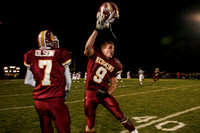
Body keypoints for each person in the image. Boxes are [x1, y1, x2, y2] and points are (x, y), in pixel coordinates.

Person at [84, 29, 138, 133]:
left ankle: (135, 132)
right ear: (103, 49)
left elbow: (114, 84)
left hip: (104, 92)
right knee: (90, 124)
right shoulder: (96, 54)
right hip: (90, 92)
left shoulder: (116, 64)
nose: (112, 50)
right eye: (110, 48)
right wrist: (96, 30)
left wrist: (107, 93)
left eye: (113, 48)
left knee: (120, 115)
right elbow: (87, 47)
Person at [24, 30, 71, 133]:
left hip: (39, 102)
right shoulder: (60, 53)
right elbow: (68, 81)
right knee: (64, 129)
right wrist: (66, 91)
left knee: (46, 130)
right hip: (55, 100)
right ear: (48, 41)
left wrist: (42, 86)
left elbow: (27, 81)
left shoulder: (31, 54)